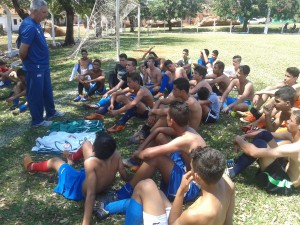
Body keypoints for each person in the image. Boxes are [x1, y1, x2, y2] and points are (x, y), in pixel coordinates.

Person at [95, 147, 234, 225]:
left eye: (190, 168)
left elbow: (173, 222)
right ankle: (107, 209)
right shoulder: (228, 183)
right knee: (159, 194)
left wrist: (180, 191)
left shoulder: (195, 213)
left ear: (196, 177)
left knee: (146, 186)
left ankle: (108, 208)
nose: (188, 170)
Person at [104, 101, 206, 206]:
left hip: (189, 187)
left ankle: (123, 193)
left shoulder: (184, 139)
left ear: (170, 121)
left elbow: (148, 154)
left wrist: (139, 154)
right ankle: (139, 171)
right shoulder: (188, 130)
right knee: (160, 137)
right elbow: (158, 131)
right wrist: (141, 148)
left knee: (155, 157)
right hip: (186, 169)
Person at [23, 131, 130, 225]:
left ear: (94, 150)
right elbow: (124, 175)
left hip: (77, 187)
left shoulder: (91, 163)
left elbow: (90, 194)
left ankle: (31, 167)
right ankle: (71, 157)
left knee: (55, 161)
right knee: (85, 143)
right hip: (98, 181)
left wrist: (85, 222)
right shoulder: (116, 154)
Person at [230, 108, 300, 194]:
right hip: (284, 170)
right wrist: (245, 136)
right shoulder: (292, 136)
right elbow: (265, 133)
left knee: (260, 144)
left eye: (291, 120)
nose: (287, 121)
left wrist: (238, 139)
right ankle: (236, 163)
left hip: (285, 184)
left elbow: (254, 152)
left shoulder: (297, 147)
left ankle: (232, 172)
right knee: (265, 135)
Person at [19, 0, 64, 127]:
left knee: (46, 91)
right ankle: (37, 121)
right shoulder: (29, 26)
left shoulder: (37, 23)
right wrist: (30, 63)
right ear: (34, 11)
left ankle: (51, 112)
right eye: (43, 12)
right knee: (36, 94)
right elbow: (22, 51)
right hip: (35, 67)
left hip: (43, 65)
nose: (46, 15)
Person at [129, 78, 202, 145]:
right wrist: (152, 114)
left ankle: (147, 134)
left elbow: (169, 111)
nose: (172, 91)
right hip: (180, 124)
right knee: (161, 108)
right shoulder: (181, 96)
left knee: (165, 115)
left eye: (174, 89)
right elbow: (160, 101)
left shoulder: (190, 103)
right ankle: (145, 132)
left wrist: (153, 111)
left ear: (182, 91)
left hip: (187, 131)